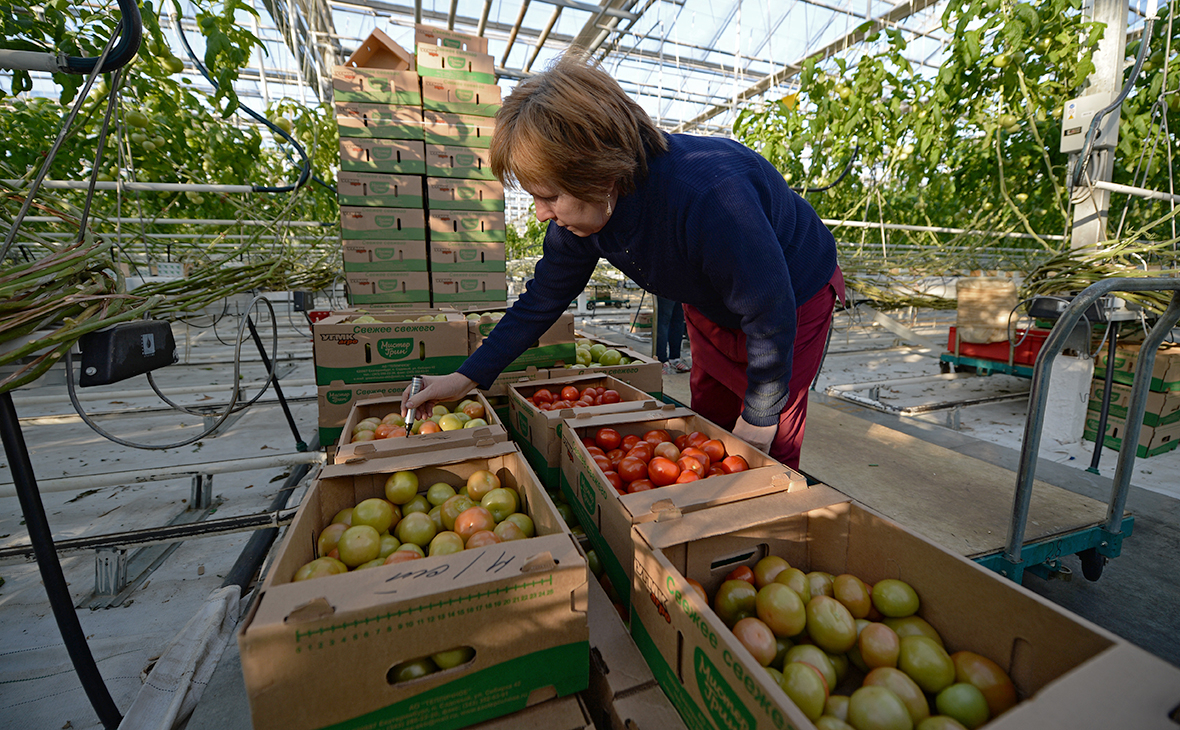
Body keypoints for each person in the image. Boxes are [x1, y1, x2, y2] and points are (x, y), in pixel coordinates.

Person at [403, 49, 843, 470]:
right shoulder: (581, 220)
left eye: (550, 196)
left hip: (792, 298)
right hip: (714, 302)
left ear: (598, 173)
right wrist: (466, 377)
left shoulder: (710, 197)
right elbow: (540, 302)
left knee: (767, 439)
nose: (542, 213)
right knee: (709, 425)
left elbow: (770, 310)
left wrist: (761, 414)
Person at [655, 295, 690, 374]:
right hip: (664, 285)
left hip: (680, 285)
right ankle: (661, 360)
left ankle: (675, 358)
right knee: (664, 320)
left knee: (678, 319)